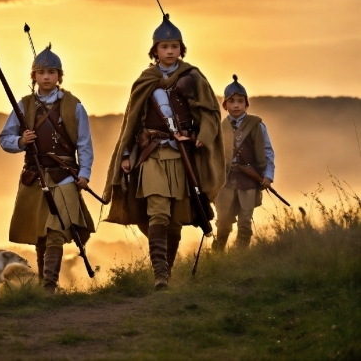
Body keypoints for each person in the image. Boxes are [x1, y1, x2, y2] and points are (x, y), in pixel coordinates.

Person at [103, 15, 225, 289]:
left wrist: (200, 137)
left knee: (175, 220)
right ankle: (160, 275)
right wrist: (125, 155)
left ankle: (166, 274)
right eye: (164, 46)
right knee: (157, 213)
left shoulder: (193, 77)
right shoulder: (146, 79)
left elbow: (210, 113)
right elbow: (131, 123)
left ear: (181, 48)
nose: (170, 51)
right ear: (155, 50)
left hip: (184, 158)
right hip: (153, 155)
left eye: (174, 46)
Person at [0, 44, 95, 294]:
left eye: (51, 72)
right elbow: (4, 139)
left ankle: (49, 287)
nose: (46, 77)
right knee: (40, 236)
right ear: (34, 76)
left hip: (64, 177)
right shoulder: (24, 106)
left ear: (59, 76)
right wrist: (22, 141)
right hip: (34, 176)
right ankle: (44, 288)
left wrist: (84, 173)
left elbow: (84, 143)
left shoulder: (74, 106)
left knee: (55, 233)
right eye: (41, 72)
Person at [212, 75, 275, 250]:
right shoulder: (219, 127)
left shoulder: (256, 125)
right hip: (225, 181)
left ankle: (240, 258)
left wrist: (268, 176)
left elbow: (268, 152)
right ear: (225, 105)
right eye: (231, 101)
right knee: (223, 222)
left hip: (249, 179)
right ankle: (217, 257)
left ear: (246, 103)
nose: (236, 105)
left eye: (241, 101)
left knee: (245, 221)